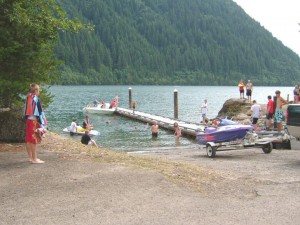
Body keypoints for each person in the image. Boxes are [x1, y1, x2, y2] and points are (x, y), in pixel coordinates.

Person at [24, 84, 47, 164]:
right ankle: (34, 158)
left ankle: (30, 157)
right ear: (36, 90)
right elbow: (39, 113)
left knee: (28, 139)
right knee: (33, 139)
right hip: (33, 121)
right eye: (38, 90)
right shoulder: (35, 99)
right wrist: (43, 123)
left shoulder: (28, 97)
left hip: (28, 120)